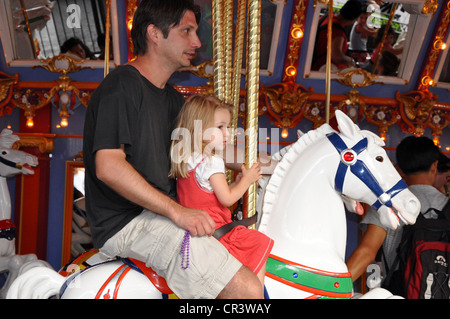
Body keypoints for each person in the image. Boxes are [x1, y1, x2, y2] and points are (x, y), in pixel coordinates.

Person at [83, 0, 267, 299]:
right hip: (128, 221)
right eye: (186, 31)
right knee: (245, 290)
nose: (197, 42)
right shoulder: (122, 87)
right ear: (154, 34)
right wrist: (177, 211)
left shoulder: (172, 100)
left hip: (162, 213)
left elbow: (206, 147)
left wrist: (270, 164)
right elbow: (109, 166)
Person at [170, 94, 274, 288]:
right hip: (214, 229)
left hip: (190, 230)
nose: (228, 133)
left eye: (228, 127)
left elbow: (216, 194)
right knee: (258, 241)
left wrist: (239, 183)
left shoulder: (189, 157)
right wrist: (249, 180)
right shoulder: (212, 160)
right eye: (220, 127)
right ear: (199, 129)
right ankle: (255, 294)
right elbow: (227, 200)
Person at [346, 136, 450, 285]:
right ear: (434, 166)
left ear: (399, 169)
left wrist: (332, 289)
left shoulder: (386, 204)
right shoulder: (447, 204)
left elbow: (367, 252)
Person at [311, 0, 364, 71]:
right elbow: (337, 57)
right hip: (323, 69)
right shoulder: (338, 31)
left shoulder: (326, 17)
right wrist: (350, 60)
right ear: (353, 19)